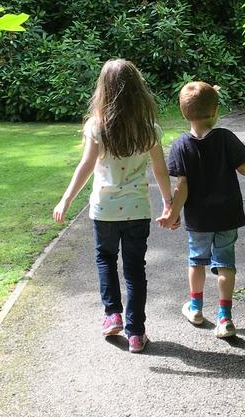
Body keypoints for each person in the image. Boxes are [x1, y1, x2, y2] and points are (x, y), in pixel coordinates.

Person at [158, 81, 245, 338]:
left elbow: (182, 186)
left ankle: (196, 308)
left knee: (196, 262)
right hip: (227, 215)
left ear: (183, 112)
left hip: (199, 219)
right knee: (225, 265)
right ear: (214, 111)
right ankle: (225, 318)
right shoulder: (225, 138)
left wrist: (173, 213)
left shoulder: (180, 146)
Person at [53, 59, 172, 353]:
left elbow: (85, 166)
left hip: (103, 209)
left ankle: (112, 315)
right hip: (137, 209)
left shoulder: (97, 127)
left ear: (103, 90)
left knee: (105, 260)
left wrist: (66, 198)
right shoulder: (150, 129)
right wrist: (169, 202)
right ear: (138, 91)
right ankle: (136, 333)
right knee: (134, 270)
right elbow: (160, 170)